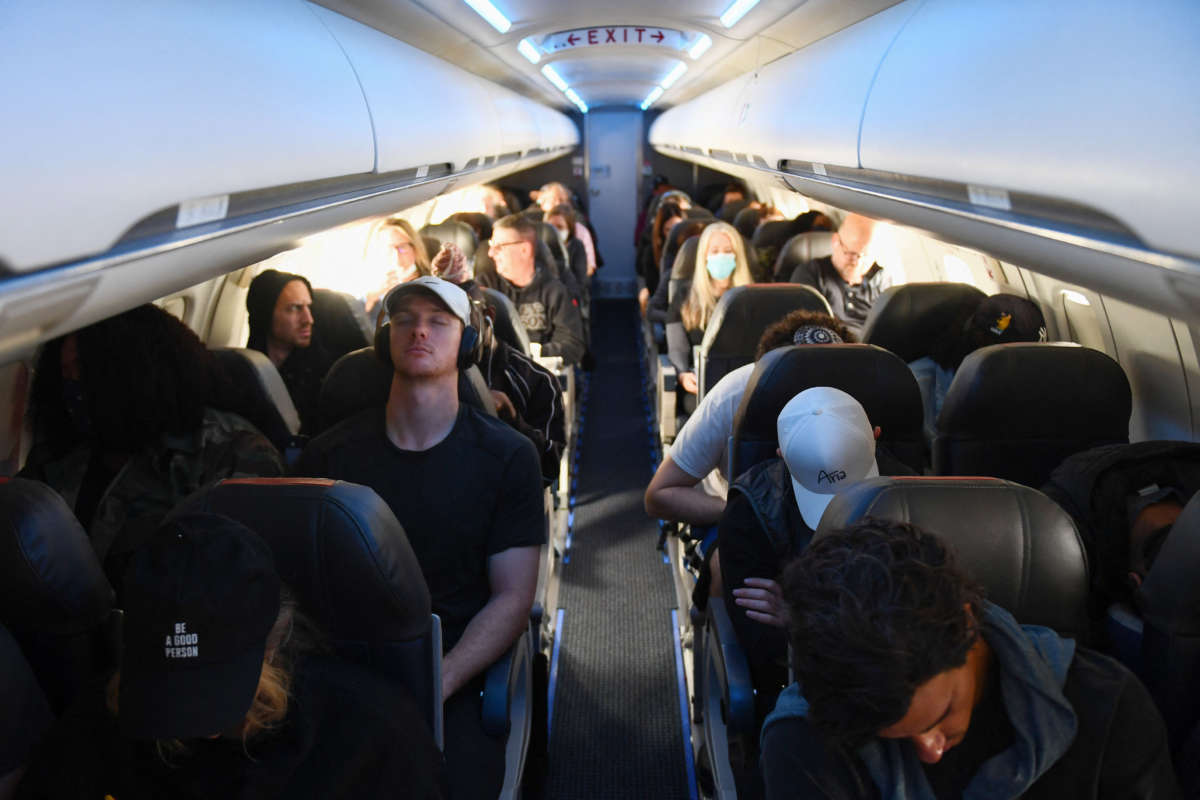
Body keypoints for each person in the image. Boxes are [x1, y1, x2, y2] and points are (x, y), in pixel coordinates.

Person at [295, 276, 544, 799]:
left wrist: (439, 680)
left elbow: (512, 598)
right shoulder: (329, 457)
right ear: (386, 337)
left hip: (453, 668)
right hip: (343, 670)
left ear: (467, 341)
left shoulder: (508, 458)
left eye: (439, 321)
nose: (419, 331)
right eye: (404, 319)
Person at [17, 513, 443, 799]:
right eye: (168, 691)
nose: (205, 730)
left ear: (273, 644)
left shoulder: (372, 737)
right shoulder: (100, 725)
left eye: (215, 687)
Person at [760, 518, 1181, 800]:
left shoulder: (1107, 707)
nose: (930, 752)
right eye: (898, 737)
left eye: (941, 714)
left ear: (966, 623)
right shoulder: (805, 740)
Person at [20, 305, 284, 582]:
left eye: (82, 372)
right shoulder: (60, 453)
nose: (72, 388)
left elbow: (237, 575)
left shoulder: (231, 452)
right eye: (65, 375)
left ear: (132, 374)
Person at [720, 387, 893, 693]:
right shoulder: (750, 512)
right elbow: (761, 647)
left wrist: (802, 617)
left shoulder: (908, 491)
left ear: (876, 438)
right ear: (782, 457)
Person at [434, 241, 567, 486]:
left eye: (463, 316)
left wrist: (512, 419)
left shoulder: (536, 381)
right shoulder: (418, 376)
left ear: (488, 317)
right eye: (441, 321)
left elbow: (549, 469)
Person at [908, 293, 1047, 441]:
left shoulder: (1030, 393)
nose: (1018, 372)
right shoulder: (915, 385)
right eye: (1008, 359)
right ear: (977, 344)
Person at [666, 220, 754, 408]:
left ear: (737, 256)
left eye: (728, 251)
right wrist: (682, 374)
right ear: (704, 256)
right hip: (702, 386)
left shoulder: (751, 297)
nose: (721, 256)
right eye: (714, 251)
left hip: (743, 385)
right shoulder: (684, 295)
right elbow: (677, 346)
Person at [478, 214, 586, 365]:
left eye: (499, 247)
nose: (491, 253)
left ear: (524, 249)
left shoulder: (554, 291)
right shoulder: (486, 286)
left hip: (538, 370)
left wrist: (532, 353)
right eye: (491, 246)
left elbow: (572, 345)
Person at [245, 269, 335, 434]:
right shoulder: (244, 371)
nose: (308, 319)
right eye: (294, 308)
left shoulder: (326, 376)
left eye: (308, 307)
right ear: (265, 314)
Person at [790, 213, 889, 334]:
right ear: (835, 241)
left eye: (866, 255)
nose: (858, 262)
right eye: (851, 254)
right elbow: (806, 330)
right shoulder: (811, 274)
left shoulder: (881, 279)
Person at [362, 216, 431, 321]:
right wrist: (372, 298)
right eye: (388, 248)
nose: (395, 255)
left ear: (415, 248)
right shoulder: (374, 289)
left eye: (402, 247)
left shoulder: (429, 285)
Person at [535, 181, 596, 277]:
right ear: (542, 204)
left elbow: (589, 268)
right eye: (553, 200)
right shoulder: (534, 227)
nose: (558, 204)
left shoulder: (579, 229)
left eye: (563, 200)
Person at [545, 203, 590, 310]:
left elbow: (581, 280)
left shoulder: (576, 246)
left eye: (560, 227)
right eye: (551, 227)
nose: (555, 231)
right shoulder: (541, 248)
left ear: (569, 228)